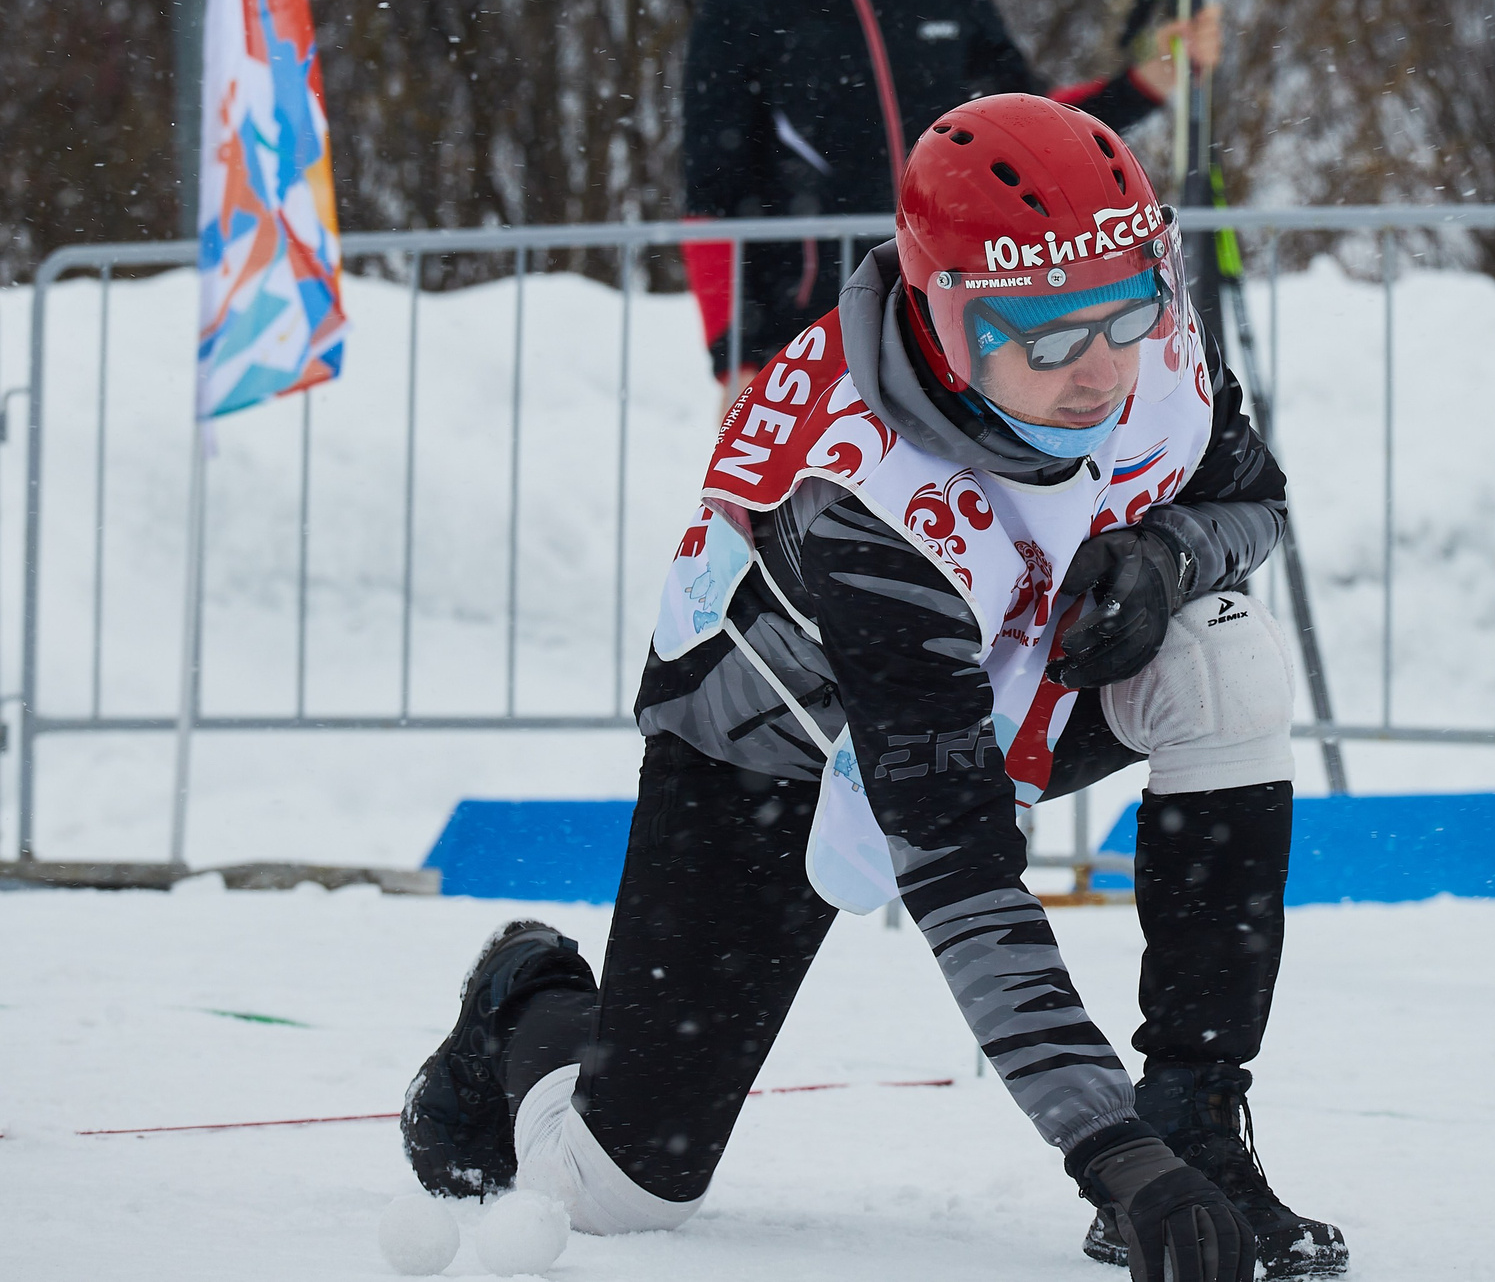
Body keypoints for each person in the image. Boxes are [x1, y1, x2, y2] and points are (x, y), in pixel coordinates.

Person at [399, 94, 1343, 1282]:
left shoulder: (1145, 332)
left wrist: (1166, 556)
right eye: (1046, 334)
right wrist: (1107, 1157)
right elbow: (958, 870)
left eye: (1125, 308)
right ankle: (527, 1002)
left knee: (1226, 651)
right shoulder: (859, 497)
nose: (1100, 366)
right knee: (621, 1190)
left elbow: (1256, 502)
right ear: (945, 313)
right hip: (771, 744)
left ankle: (1197, 1114)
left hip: (1011, 668)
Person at [684, 0, 1221, 398]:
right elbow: (712, 199)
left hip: (955, 306)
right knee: (828, 496)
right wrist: (733, 356)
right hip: (809, 330)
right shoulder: (741, 11)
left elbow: (1036, 127)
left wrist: (1145, 83)